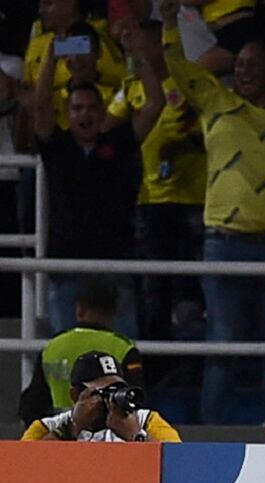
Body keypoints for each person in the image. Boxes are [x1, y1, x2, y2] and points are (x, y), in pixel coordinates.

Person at [161, 0, 265, 425]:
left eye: (254, 64)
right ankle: (212, 436)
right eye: (240, 63)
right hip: (223, 244)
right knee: (224, 347)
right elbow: (179, 67)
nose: (245, 70)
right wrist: (166, 25)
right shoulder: (215, 101)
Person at [32, 32, 162, 341]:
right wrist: (50, 61)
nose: (84, 114)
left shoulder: (118, 144)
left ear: (103, 113)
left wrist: (138, 57)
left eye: (91, 108)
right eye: (77, 109)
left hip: (114, 263)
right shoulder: (57, 147)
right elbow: (39, 107)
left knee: (120, 349)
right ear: (68, 113)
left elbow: (155, 103)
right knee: (67, 352)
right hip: (66, 265)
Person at [109, 17, 206, 344]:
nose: (139, 48)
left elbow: (206, 132)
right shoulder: (130, 88)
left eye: (144, 42)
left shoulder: (186, 87)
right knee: (155, 287)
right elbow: (107, 129)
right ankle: (158, 359)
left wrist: (183, 144)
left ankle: (193, 360)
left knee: (191, 286)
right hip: (149, 200)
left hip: (190, 197)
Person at [18, 277, 144, 426]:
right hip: (110, 440)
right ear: (116, 309)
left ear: (79, 308)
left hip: (61, 437)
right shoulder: (124, 348)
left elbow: (31, 407)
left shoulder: (52, 347)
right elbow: (136, 401)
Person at [20, 351, 180, 443]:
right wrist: (72, 429)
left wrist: (136, 436)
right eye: (102, 392)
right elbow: (22, 471)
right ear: (76, 395)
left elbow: (178, 467)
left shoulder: (147, 421)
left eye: (117, 389)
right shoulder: (46, 427)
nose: (110, 401)